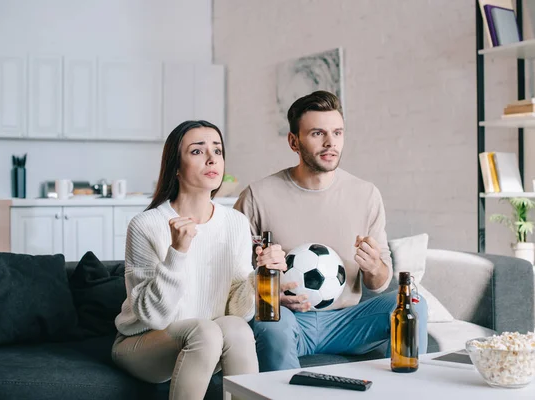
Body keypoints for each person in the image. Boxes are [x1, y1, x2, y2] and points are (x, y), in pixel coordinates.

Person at [234, 91, 429, 372]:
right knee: (271, 319)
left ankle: (404, 392)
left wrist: (374, 266)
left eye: (337, 133)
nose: (330, 142)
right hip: (288, 318)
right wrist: (268, 293)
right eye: (317, 133)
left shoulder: (366, 195)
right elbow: (234, 276)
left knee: (414, 303)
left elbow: (379, 284)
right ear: (293, 141)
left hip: (348, 322)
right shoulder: (257, 196)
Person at [112, 120, 286, 399]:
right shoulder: (146, 225)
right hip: (144, 344)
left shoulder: (236, 223)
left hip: (210, 342)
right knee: (204, 332)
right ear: (176, 167)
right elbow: (153, 316)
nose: (211, 158)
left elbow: (237, 312)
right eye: (197, 151)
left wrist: (259, 277)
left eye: (217, 151)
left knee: (237, 328)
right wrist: (177, 253)